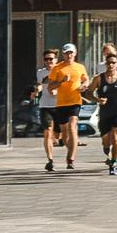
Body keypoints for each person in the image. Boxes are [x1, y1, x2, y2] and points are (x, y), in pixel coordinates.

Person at [46, 44, 90, 173]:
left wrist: (84, 85)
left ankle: (71, 159)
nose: (69, 55)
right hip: (61, 104)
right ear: (63, 54)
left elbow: (85, 79)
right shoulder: (57, 68)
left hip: (75, 101)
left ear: (75, 53)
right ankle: (69, 149)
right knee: (65, 133)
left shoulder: (80, 67)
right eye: (66, 53)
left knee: (72, 126)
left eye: (71, 53)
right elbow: (50, 87)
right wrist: (61, 81)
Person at [93, 52, 117, 175]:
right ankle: (108, 149)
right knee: (106, 141)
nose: (111, 65)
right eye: (109, 62)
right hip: (105, 114)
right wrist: (98, 100)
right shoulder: (99, 78)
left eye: (113, 63)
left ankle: (113, 163)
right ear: (106, 64)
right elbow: (88, 92)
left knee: (115, 138)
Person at [30, 48, 59, 170]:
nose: (48, 61)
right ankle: (50, 160)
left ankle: (57, 139)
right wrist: (37, 91)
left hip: (60, 105)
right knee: (47, 133)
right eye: (46, 59)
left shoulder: (61, 70)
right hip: (45, 105)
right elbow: (40, 85)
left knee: (57, 137)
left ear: (56, 60)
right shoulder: (41, 72)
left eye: (51, 59)